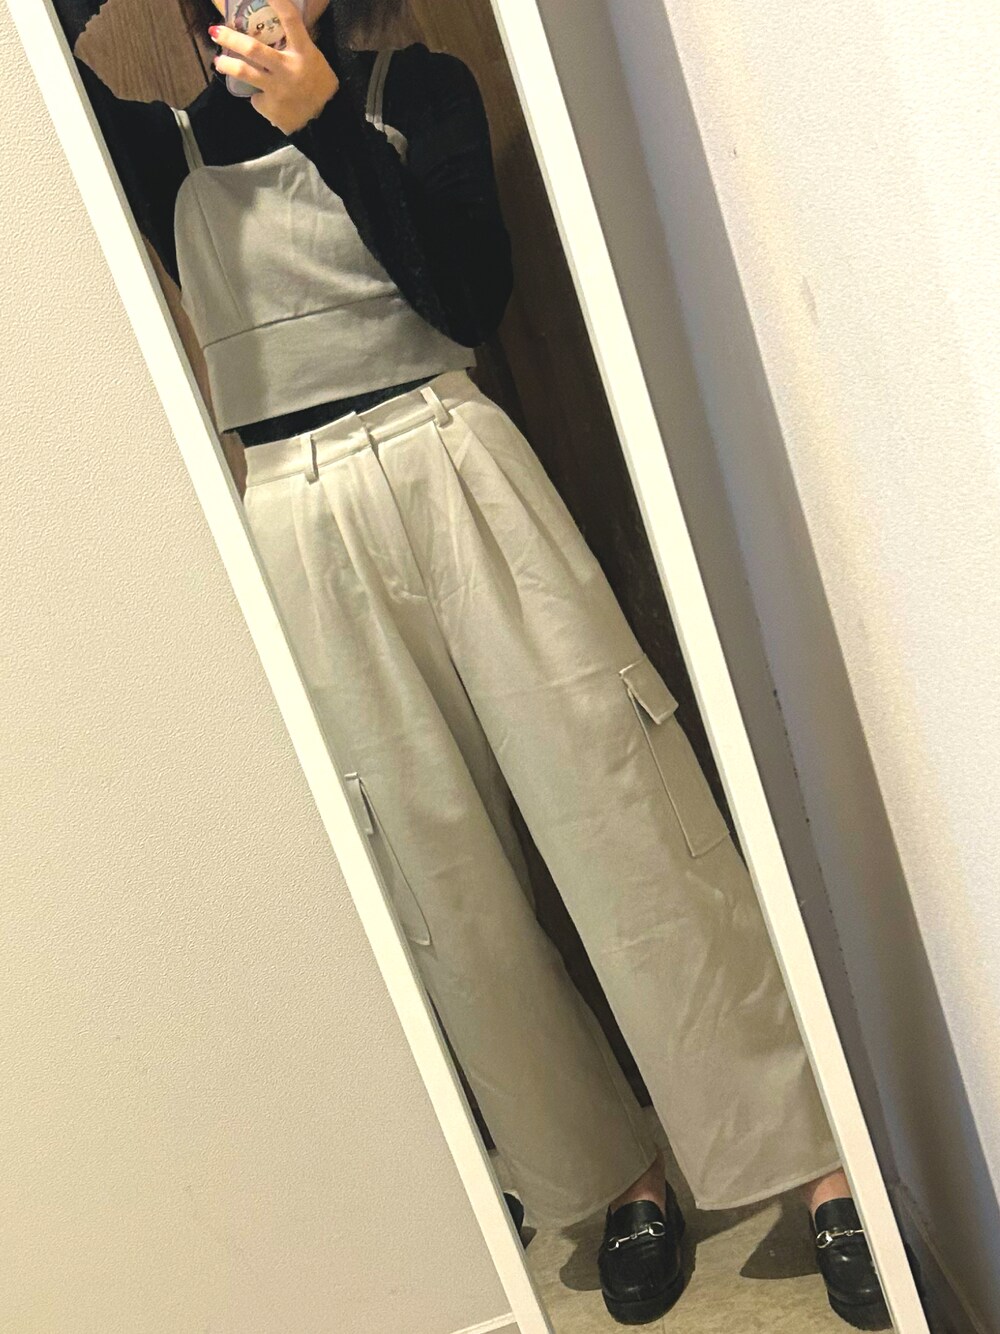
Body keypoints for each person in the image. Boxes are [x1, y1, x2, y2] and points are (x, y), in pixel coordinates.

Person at [74, 0, 891, 1325]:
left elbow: (468, 298)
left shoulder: (416, 89)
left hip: (449, 447)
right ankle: (610, 1178)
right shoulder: (159, 146)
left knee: (624, 803)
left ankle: (810, 1154)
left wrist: (328, 126)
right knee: (435, 879)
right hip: (291, 508)